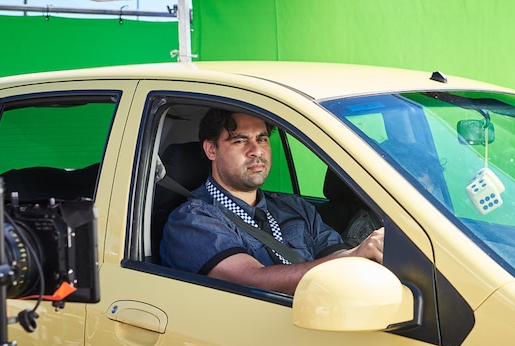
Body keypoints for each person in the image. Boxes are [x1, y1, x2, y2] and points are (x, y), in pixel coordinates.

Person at [160, 108, 384, 295]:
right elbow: (253, 281)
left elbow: (333, 253)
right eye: (240, 140)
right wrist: (351, 258)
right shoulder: (192, 220)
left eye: (262, 138)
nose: (256, 150)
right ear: (211, 149)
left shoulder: (295, 207)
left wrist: (361, 254)